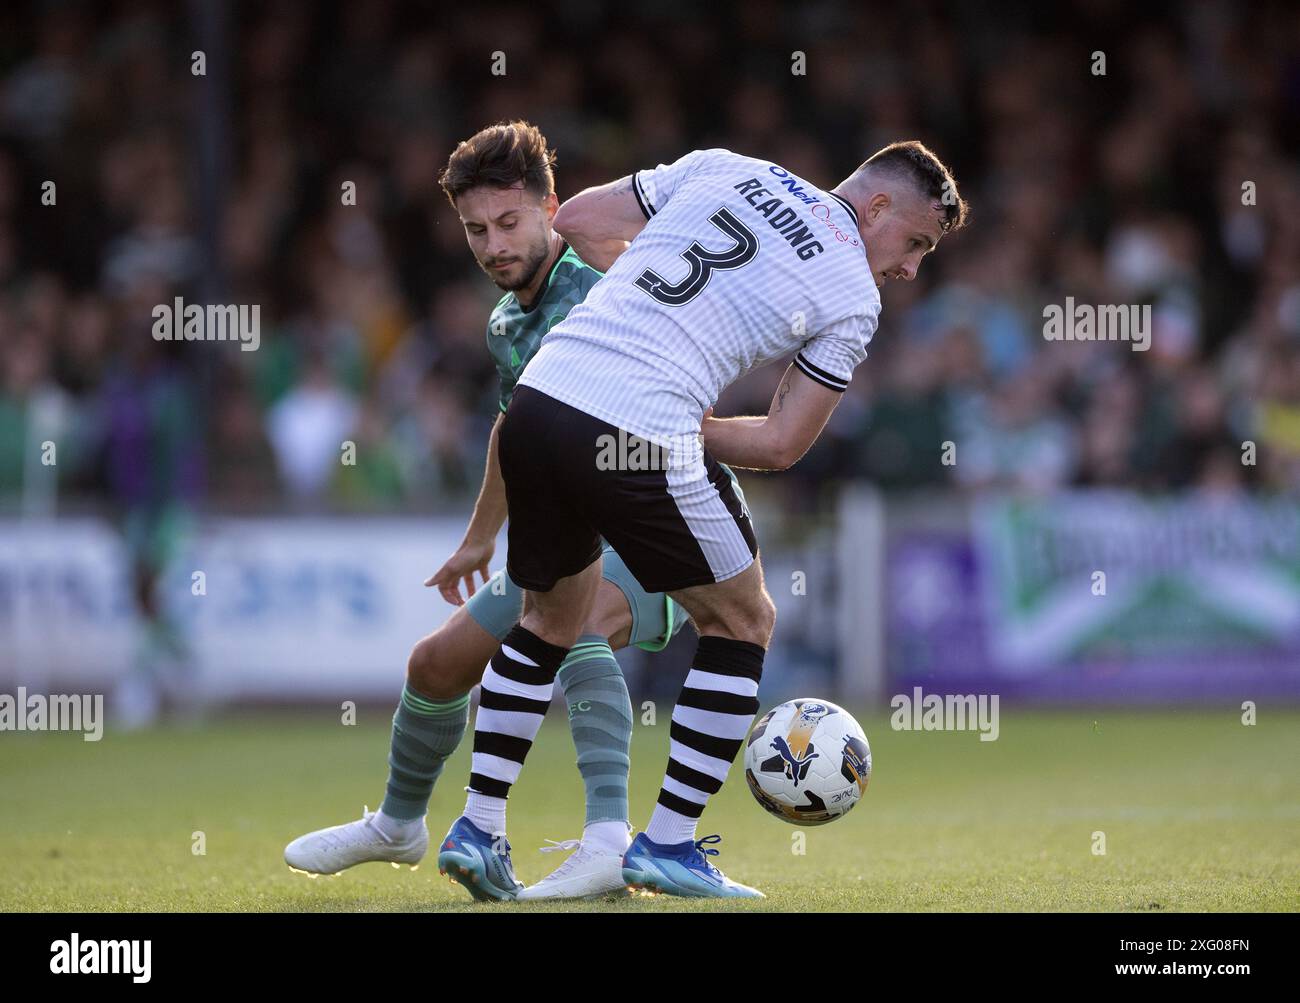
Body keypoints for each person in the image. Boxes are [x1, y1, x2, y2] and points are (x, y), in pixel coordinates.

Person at [439, 140, 967, 898]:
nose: (911, 266)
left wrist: (646, 308)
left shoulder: (732, 167)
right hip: (638, 423)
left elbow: (580, 219)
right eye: (916, 242)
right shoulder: (853, 290)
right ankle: (669, 843)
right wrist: (685, 416)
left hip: (540, 397)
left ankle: (479, 827)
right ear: (876, 207)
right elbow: (783, 442)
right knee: (743, 618)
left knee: (548, 621)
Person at [285, 122, 749, 901]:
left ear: (550, 208)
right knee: (434, 666)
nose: (493, 245)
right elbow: (516, 428)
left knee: (582, 620)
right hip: (574, 525)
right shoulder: (505, 323)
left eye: (509, 223)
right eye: (475, 230)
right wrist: (479, 538)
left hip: (659, 521)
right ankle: (400, 825)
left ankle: (609, 835)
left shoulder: (602, 288)